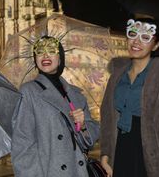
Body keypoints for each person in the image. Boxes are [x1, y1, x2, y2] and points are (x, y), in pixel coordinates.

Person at [100, 18, 159, 177]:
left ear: (155, 45)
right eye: (133, 34)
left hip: (155, 151)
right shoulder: (117, 75)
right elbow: (107, 116)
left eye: (145, 37)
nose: (136, 41)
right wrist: (105, 154)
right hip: (121, 149)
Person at [11, 36, 100, 177]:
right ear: (35, 59)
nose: (45, 55)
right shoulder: (28, 92)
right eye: (39, 51)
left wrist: (82, 126)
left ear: (60, 58)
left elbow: (89, 141)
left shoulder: (76, 94)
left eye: (51, 50)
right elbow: (23, 145)